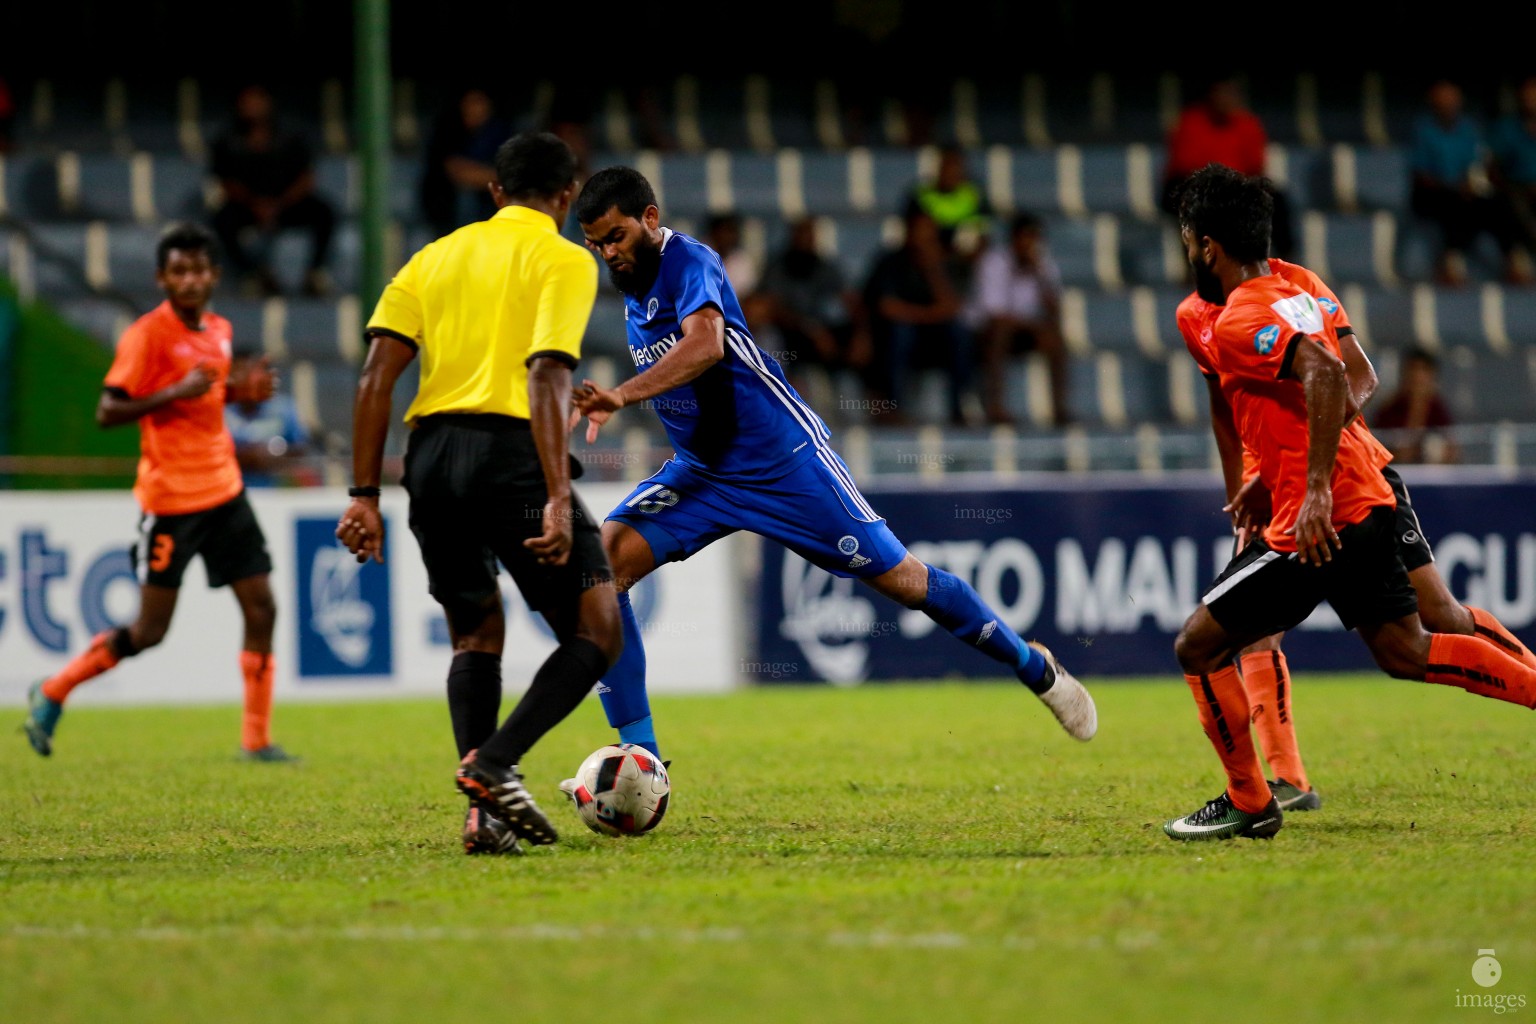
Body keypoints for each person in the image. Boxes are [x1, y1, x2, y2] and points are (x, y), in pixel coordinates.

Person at [569, 166, 1095, 772]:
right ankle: (642, 761)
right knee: (601, 571)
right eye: (595, 243)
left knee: (903, 580)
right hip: (704, 474)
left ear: (650, 220)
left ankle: (1034, 667)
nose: (607, 253)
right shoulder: (631, 282)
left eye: (615, 237)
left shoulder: (689, 261)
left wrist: (623, 395)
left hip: (783, 462)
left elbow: (707, 344)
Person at [1163, 165, 1536, 842]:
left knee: (1201, 643)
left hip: (1329, 505)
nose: (1187, 249)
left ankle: (1254, 799)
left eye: (1189, 238)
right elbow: (1239, 407)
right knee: (1406, 649)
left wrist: (1311, 481)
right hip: (1335, 493)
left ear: (1208, 245)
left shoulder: (1260, 305)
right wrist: (1263, 479)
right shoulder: (1240, 306)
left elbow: (1340, 373)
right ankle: (1278, 783)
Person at [335, 133, 621, 857]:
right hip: (510, 455)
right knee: (596, 628)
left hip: (429, 460)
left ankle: (481, 816)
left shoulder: (432, 257)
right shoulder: (562, 258)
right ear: (566, 197)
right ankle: (495, 763)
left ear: (494, 192)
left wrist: (363, 494)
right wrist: (558, 494)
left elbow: (375, 377)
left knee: (475, 633)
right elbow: (549, 375)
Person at [22, 223, 293, 762]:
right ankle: (54, 690)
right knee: (149, 631)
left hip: (225, 491)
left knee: (262, 608)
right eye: (178, 271)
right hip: (172, 503)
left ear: (214, 275)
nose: (190, 280)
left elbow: (210, 396)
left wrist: (243, 393)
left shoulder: (219, 329)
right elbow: (107, 410)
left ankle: (256, 740)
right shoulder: (147, 335)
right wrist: (173, 391)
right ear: (161, 278)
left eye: (198, 270)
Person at [210, 85, 336, 297]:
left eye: (257, 100)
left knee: (325, 213)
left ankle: (314, 273)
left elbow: (306, 177)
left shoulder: (290, 134)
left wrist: (279, 205)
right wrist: (255, 205)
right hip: (248, 205)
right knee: (222, 219)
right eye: (247, 102)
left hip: (288, 203)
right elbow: (225, 181)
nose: (252, 107)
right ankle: (252, 275)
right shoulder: (227, 139)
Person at [863, 204, 974, 425]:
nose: (923, 236)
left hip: (934, 339)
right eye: (918, 230)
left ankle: (958, 407)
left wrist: (933, 269)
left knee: (959, 333)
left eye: (928, 230)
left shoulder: (946, 263)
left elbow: (953, 307)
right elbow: (887, 307)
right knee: (901, 332)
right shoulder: (890, 262)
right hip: (896, 338)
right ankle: (893, 407)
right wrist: (932, 314)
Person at [1161, 76, 1293, 259]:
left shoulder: (1247, 124)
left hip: (1234, 186)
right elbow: (1184, 165)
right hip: (1199, 187)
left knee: (1276, 198)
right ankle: (1196, 264)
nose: (1226, 99)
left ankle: (1286, 259)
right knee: (1191, 203)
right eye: (1221, 94)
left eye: (1231, 95)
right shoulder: (1192, 121)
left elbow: (1256, 165)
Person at [1409, 80, 1521, 286]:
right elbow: (1421, 174)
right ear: (1433, 102)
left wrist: (1473, 184)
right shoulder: (1423, 130)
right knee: (1454, 203)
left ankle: (1512, 260)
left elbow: (1477, 164)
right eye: (1442, 99)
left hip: (1465, 189)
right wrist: (1452, 186)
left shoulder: (1468, 128)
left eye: (1451, 99)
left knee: (1497, 203)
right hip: (1433, 192)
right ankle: (1450, 263)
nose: (1447, 104)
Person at [970, 212, 1068, 425]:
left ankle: (1060, 409)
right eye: (1026, 237)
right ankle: (995, 407)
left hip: (1023, 331)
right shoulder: (994, 262)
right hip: (985, 332)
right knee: (1000, 334)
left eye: (1034, 238)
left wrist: (1040, 277)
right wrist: (1033, 326)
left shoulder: (1043, 265)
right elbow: (995, 316)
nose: (1029, 243)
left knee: (1055, 339)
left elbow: (1054, 313)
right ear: (1014, 238)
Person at [756, 216, 870, 374]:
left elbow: (851, 300)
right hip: (793, 333)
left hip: (826, 332)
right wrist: (812, 329)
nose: (805, 241)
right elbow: (771, 308)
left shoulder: (825, 267)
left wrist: (861, 335)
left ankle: (848, 390)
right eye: (800, 235)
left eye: (809, 235)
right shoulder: (778, 269)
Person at [420, 87, 512, 239]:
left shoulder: (500, 131)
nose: (473, 109)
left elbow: (508, 177)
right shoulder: (448, 128)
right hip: (444, 214)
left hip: (490, 216)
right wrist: (486, 175)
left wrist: (486, 176)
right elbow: (458, 173)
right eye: (468, 103)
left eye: (478, 102)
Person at [224, 350, 315, 486]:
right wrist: (245, 457)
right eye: (241, 373)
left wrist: (275, 452)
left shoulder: (283, 408)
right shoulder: (220, 411)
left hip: (275, 492)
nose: (248, 380)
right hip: (229, 491)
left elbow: (302, 448)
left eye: (253, 372)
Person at [1373, 347, 1460, 465]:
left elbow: (1452, 450)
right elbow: (1376, 449)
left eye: (1423, 371)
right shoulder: (1389, 410)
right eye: (1413, 370)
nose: (1417, 377)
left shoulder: (1438, 410)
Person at [1489, 76, 1536, 277]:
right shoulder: (1507, 128)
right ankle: (1518, 258)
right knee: (1507, 204)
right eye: (1527, 96)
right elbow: (1492, 168)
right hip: (1515, 189)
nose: (1530, 101)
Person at [911, 147, 990, 258]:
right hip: (930, 257)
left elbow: (983, 232)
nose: (952, 172)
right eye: (948, 166)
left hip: (965, 258)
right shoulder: (921, 196)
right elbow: (916, 234)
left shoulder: (974, 195)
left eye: (956, 167)